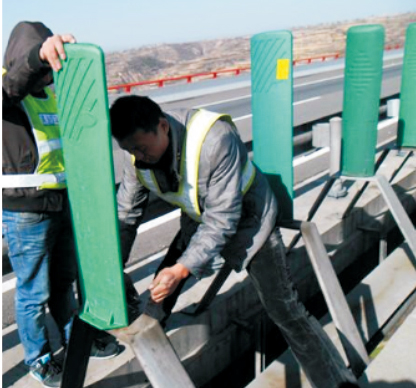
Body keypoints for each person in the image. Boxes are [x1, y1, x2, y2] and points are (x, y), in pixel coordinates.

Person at [110, 95, 359, 388]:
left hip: (251, 221)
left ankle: (338, 382)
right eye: (129, 150)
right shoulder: (135, 156)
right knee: (160, 289)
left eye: (141, 148)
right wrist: (113, 268)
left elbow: (223, 218)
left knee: (286, 310)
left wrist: (182, 268)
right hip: (200, 216)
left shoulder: (215, 140)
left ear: (163, 126)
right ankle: (149, 338)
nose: (138, 157)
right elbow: (126, 217)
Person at [2, 21, 142, 387]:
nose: (47, 75)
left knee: (64, 281)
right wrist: (37, 56)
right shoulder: (8, 86)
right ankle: (39, 359)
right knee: (34, 291)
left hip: (63, 201)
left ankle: (76, 339)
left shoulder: (50, 91)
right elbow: (13, 84)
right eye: (43, 67)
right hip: (25, 210)